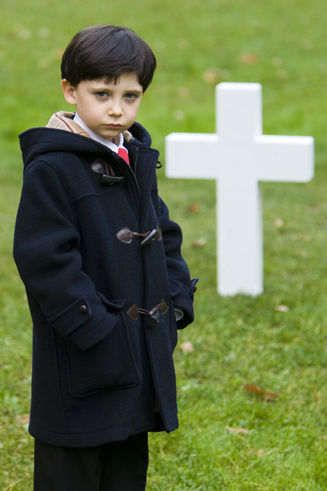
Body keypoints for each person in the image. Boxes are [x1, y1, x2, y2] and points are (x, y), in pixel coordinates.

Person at [13, 25, 197, 490]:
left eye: (131, 95)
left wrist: (174, 302)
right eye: (102, 93)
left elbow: (162, 231)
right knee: (72, 471)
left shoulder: (131, 154)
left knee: (125, 467)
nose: (117, 109)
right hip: (82, 355)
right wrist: (96, 329)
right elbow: (45, 261)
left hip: (137, 353)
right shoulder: (52, 167)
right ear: (70, 91)